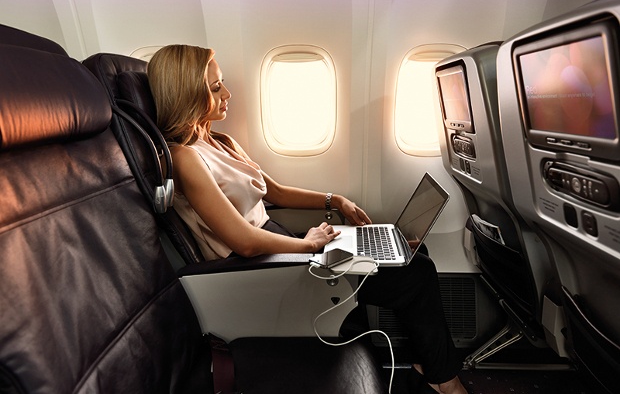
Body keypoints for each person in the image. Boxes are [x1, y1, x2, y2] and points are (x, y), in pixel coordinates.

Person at [147, 44, 468, 394]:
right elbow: (244, 241)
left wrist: (336, 200)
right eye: (214, 88)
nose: (228, 93)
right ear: (186, 94)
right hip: (258, 268)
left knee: (413, 255)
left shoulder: (221, 141)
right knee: (416, 272)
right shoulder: (184, 159)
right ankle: (444, 381)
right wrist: (307, 245)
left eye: (221, 83)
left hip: (280, 244)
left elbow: (277, 192)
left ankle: (428, 365)